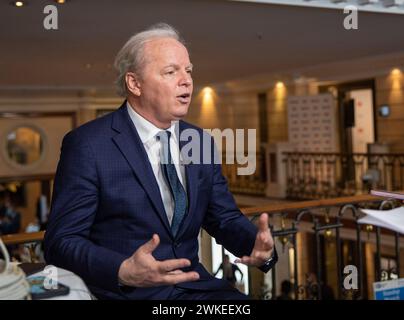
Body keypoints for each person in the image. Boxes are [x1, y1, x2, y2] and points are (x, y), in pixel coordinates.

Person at [44, 23, 277, 300]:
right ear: (134, 83)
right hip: (127, 293)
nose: (186, 80)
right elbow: (61, 242)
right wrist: (122, 269)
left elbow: (222, 218)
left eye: (188, 71)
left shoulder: (199, 140)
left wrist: (256, 246)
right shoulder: (88, 145)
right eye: (170, 72)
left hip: (195, 287)